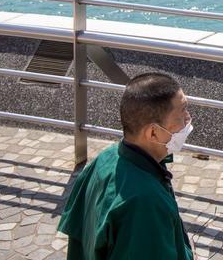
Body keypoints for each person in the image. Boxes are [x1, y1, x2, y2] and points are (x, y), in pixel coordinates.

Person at [59, 72, 195, 259]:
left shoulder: (105, 159)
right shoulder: (145, 203)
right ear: (153, 133)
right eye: (182, 112)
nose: (188, 118)